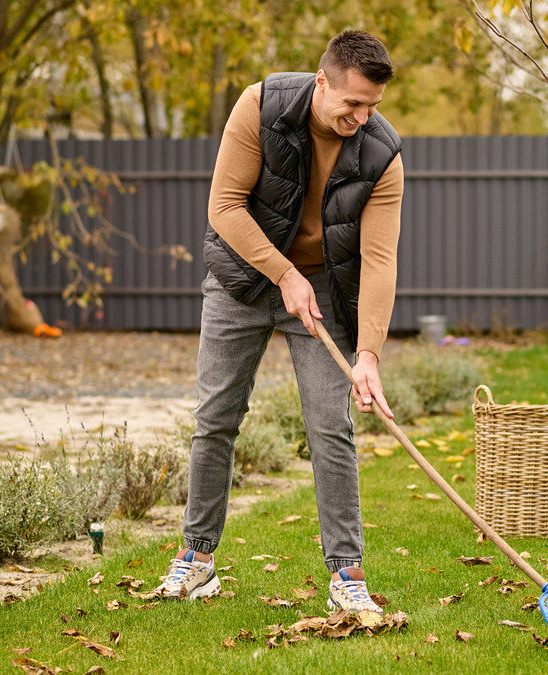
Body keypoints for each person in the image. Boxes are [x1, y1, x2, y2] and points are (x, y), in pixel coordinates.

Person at [150, 30, 404, 615]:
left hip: (321, 288)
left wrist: (368, 355)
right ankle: (198, 559)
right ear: (322, 83)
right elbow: (224, 208)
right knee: (215, 417)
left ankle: (347, 574)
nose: (362, 118)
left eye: (373, 107)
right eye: (352, 105)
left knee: (329, 425)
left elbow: (379, 260)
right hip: (243, 277)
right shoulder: (261, 106)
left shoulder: (382, 154)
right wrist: (284, 274)